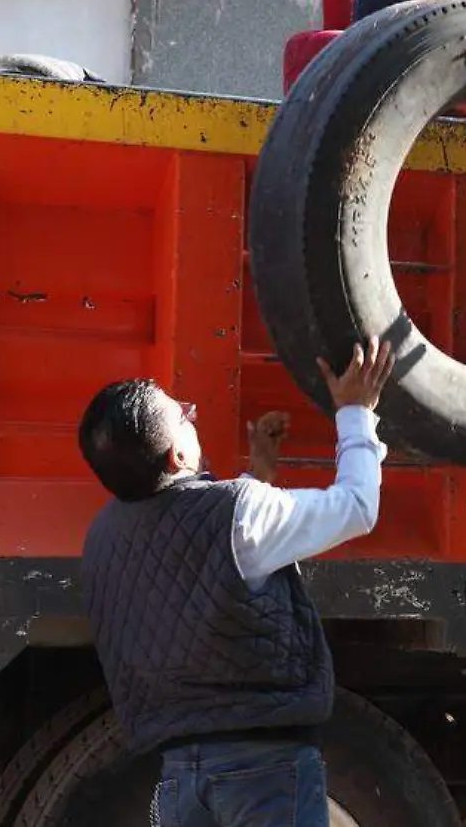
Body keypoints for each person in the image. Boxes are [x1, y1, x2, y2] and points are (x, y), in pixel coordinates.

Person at [77, 338, 396, 827]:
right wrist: (355, 413)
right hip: (265, 772)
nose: (191, 417)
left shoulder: (102, 538)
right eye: (184, 416)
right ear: (177, 456)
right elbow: (356, 507)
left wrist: (261, 472)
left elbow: (205, 573)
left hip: (179, 777)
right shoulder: (237, 513)